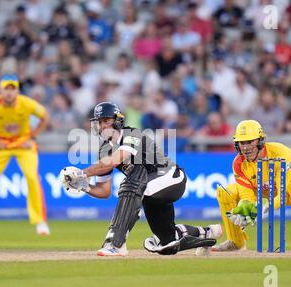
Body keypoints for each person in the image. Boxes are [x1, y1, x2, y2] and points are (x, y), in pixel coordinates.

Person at [61, 102, 222, 256]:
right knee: (167, 239)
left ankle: (116, 243)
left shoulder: (132, 134)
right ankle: (207, 233)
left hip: (172, 178)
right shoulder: (104, 150)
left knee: (132, 182)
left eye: (106, 121)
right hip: (150, 190)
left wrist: (83, 173)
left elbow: (116, 160)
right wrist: (84, 186)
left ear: (117, 120)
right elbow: (104, 191)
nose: (102, 126)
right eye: (99, 122)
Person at [212, 120, 291, 253]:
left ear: (260, 141)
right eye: (242, 143)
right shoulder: (239, 162)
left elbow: (282, 192)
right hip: (264, 191)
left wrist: (265, 207)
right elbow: (246, 194)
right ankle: (236, 243)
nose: (245, 147)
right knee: (227, 192)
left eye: (250, 142)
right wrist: (245, 208)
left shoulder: (279, 153)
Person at [0, 74, 50, 236]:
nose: (9, 93)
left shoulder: (27, 103)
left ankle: (40, 221)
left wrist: (33, 136)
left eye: (12, 89)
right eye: (6, 89)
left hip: (23, 143)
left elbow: (44, 116)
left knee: (32, 178)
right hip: (0, 144)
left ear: (17, 91)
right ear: (0, 90)